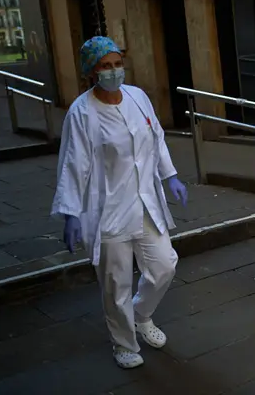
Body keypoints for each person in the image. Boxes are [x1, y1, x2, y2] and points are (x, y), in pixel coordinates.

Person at [51, 36, 188, 369]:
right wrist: (70, 212)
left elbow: (156, 137)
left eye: (117, 64)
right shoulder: (82, 112)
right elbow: (73, 162)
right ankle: (124, 344)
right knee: (116, 283)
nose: (114, 71)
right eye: (105, 66)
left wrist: (169, 175)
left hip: (144, 204)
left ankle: (142, 315)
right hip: (108, 212)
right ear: (91, 72)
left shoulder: (137, 97)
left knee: (164, 264)